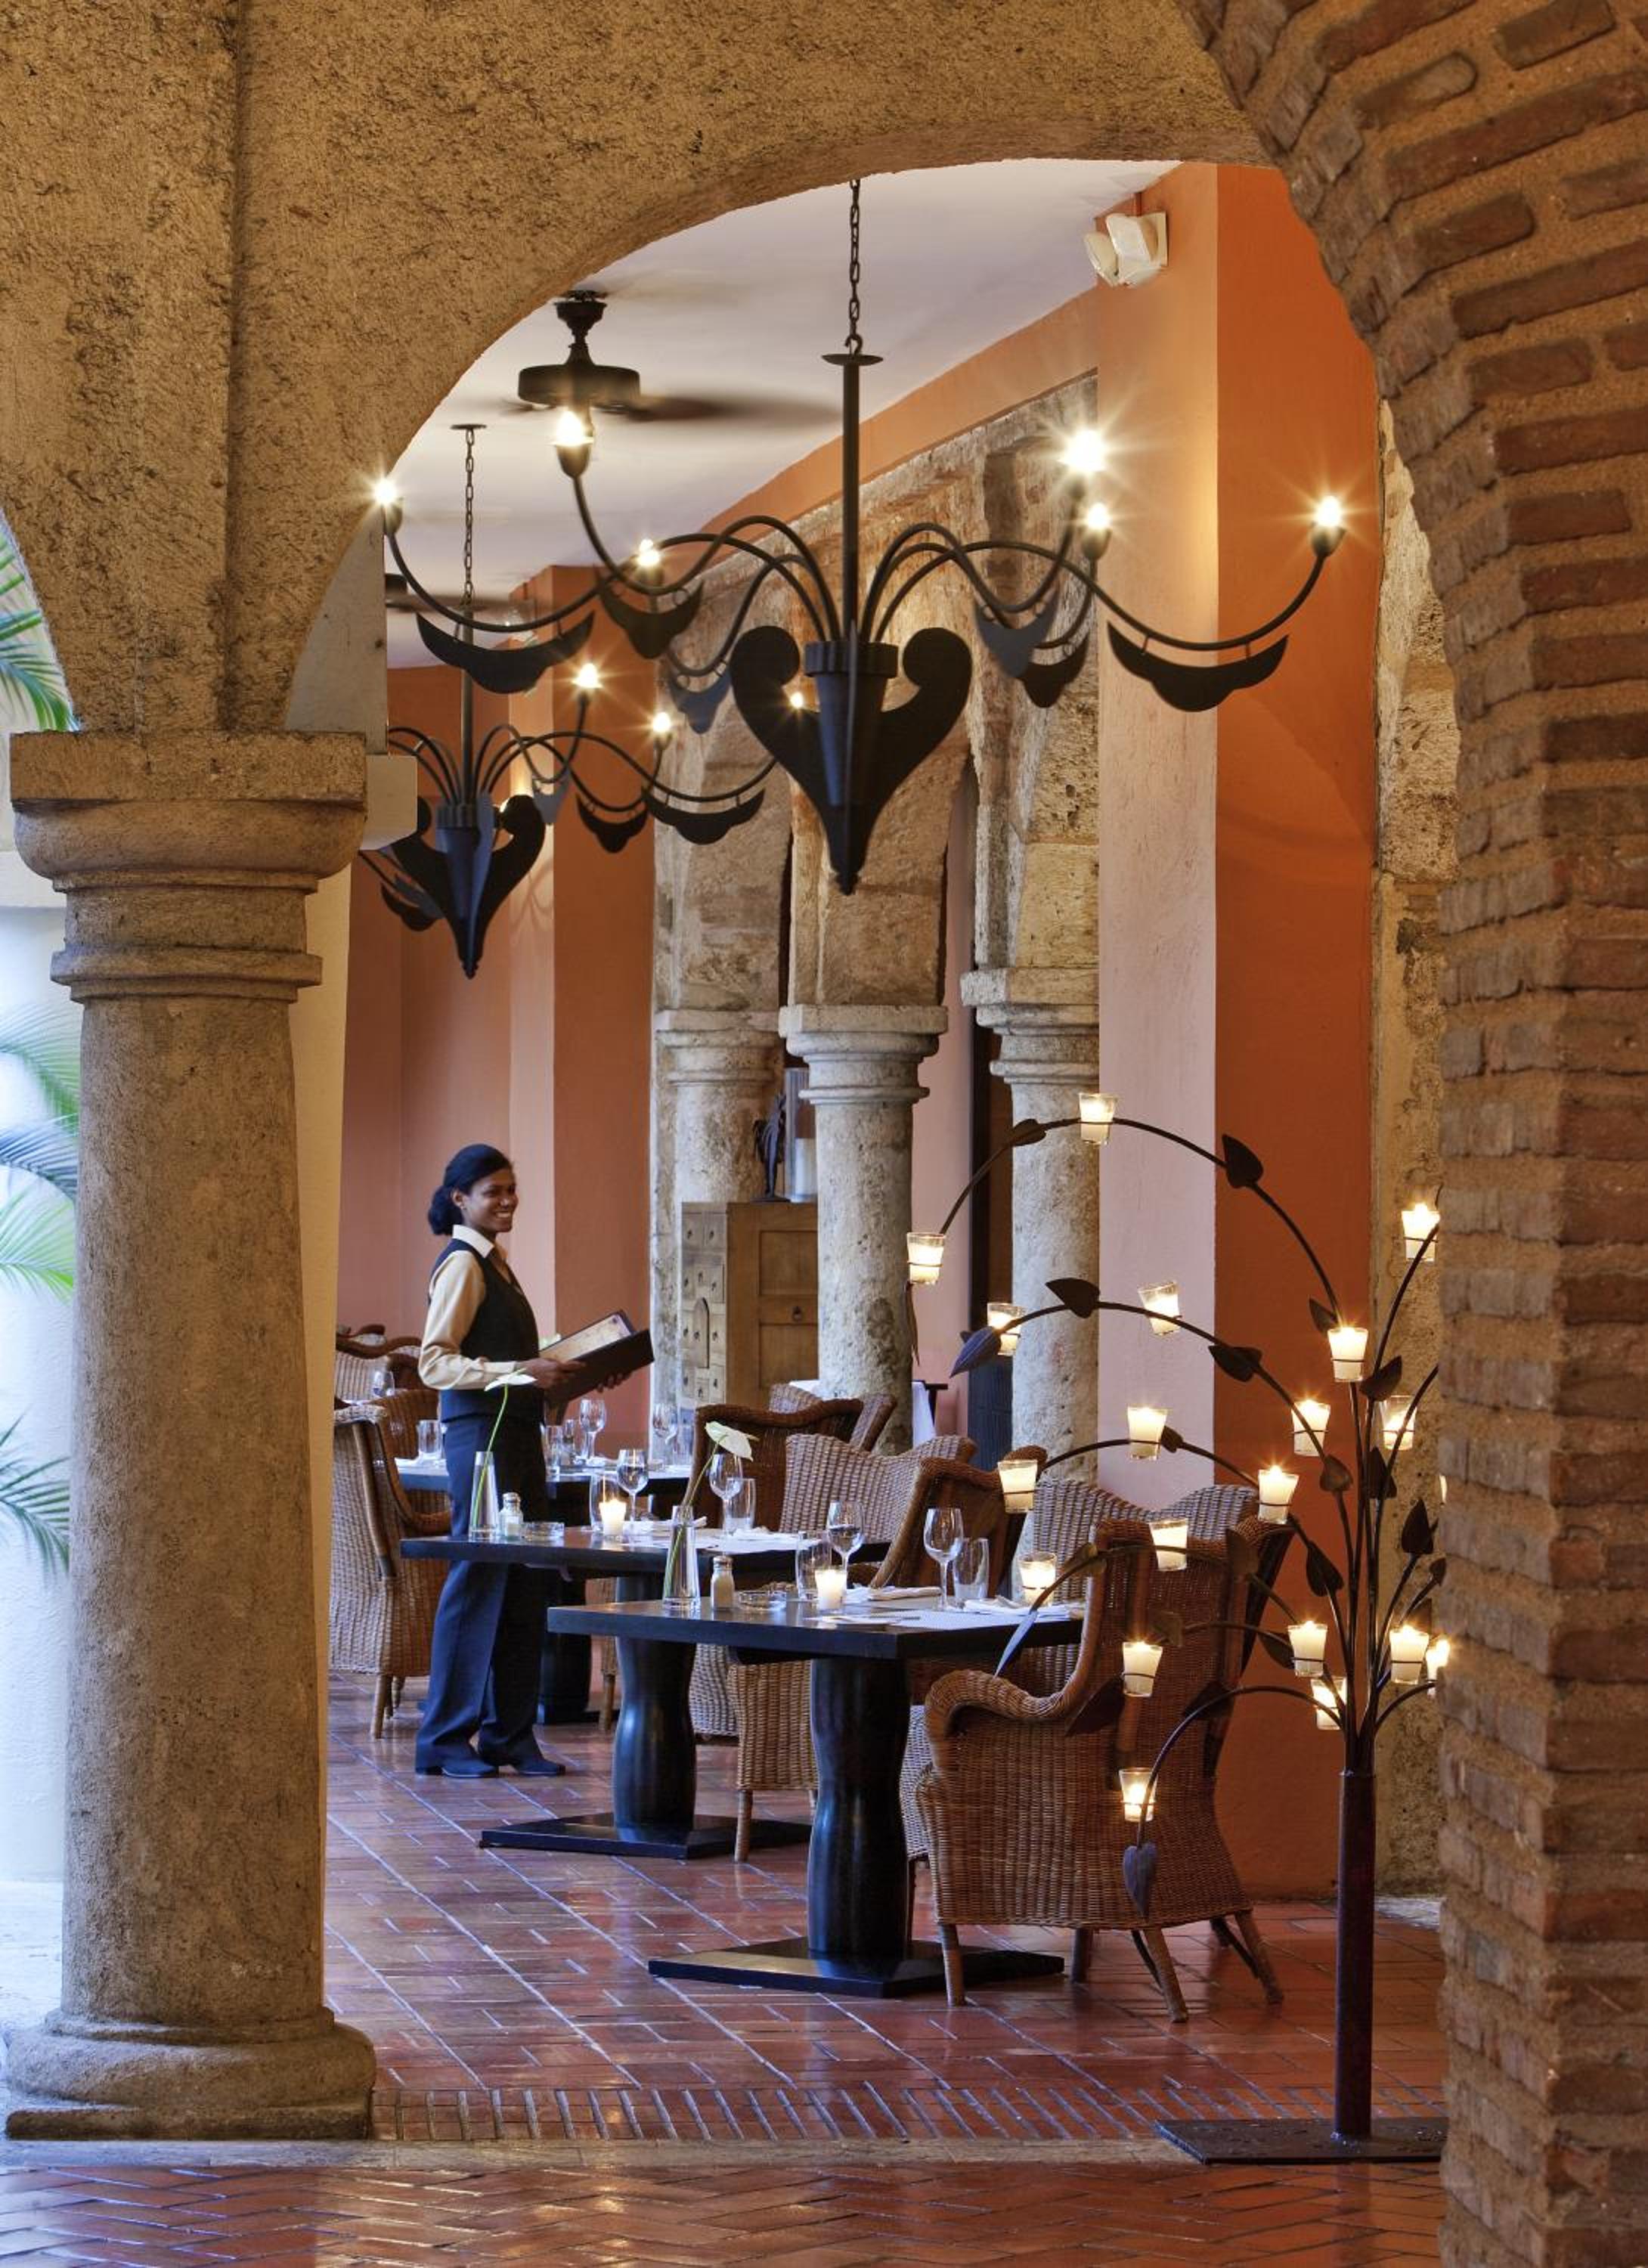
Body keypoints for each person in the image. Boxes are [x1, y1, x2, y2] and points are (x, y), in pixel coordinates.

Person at [414, 1144, 580, 1777]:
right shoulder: (463, 1264)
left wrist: (557, 1372)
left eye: (511, 1189)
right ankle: (443, 1739)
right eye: (494, 1191)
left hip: (514, 1434)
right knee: (480, 1578)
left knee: (524, 1578)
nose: (508, 1201)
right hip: (480, 1438)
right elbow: (435, 1362)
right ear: (461, 1199)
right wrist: (519, 1370)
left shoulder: (496, 1264)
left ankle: (509, 1733)